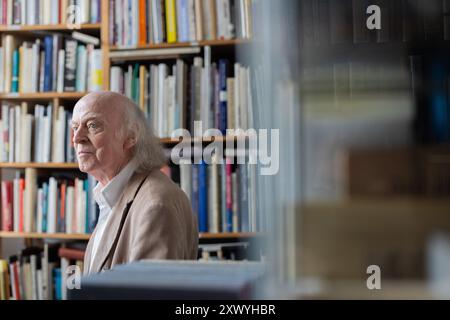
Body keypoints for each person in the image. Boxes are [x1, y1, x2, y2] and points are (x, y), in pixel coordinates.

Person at [72, 91, 198, 275]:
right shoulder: (111, 196)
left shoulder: (156, 204)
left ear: (131, 136)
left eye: (92, 125)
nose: (77, 138)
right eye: (75, 127)